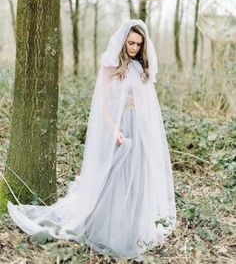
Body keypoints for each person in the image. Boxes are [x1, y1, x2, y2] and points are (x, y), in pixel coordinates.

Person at [7, 19, 176, 260]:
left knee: (138, 175)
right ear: (123, 42)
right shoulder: (110, 65)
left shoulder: (141, 69)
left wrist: (147, 132)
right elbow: (103, 103)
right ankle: (108, 228)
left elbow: (146, 105)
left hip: (138, 126)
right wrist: (113, 128)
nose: (134, 48)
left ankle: (135, 227)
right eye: (131, 43)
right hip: (116, 128)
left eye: (138, 44)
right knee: (113, 176)